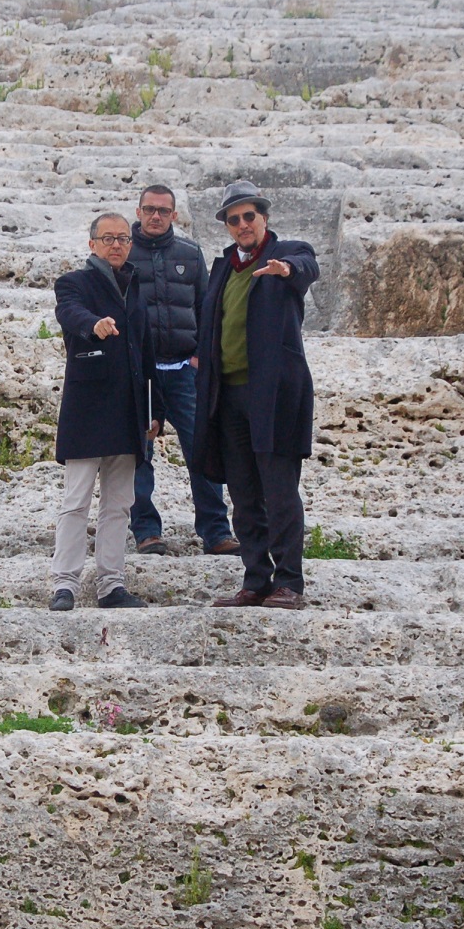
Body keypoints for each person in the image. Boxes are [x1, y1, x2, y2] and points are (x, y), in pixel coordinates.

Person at [193, 180, 319, 611]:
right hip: (227, 396)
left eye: (250, 215)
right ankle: (255, 580)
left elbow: (306, 266)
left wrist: (285, 270)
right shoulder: (223, 266)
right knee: (244, 495)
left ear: (264, 217)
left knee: (280, 492)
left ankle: (289, 583)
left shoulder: (288, 253)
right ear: (227, 226)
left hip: (274, 398)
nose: (243, 224)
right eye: (234, 219)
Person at [48, 212, 155, 611]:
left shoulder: (135, 287)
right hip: (88, 410)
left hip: (128, 412)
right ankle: (65, 585)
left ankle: (112, 586)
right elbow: (69, 313)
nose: (116, 245)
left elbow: (147, 353)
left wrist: (154, 409)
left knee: (119, 504)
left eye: (123, 238)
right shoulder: (74, 282)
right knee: (75, 501)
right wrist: (94, 325)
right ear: (91, 243)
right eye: (108, 238)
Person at [127, 184, 239, 558]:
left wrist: (200, 358)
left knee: (203, 451)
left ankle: (216, 532)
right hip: (140, 376)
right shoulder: (122, 252)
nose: (155, 216)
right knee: (139, 457)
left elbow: (207, 309)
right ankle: (146, 532)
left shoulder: (190, 254)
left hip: (184, 372)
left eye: (163, 210)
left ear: (174, 215)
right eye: (149, 209)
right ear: (139, 211)